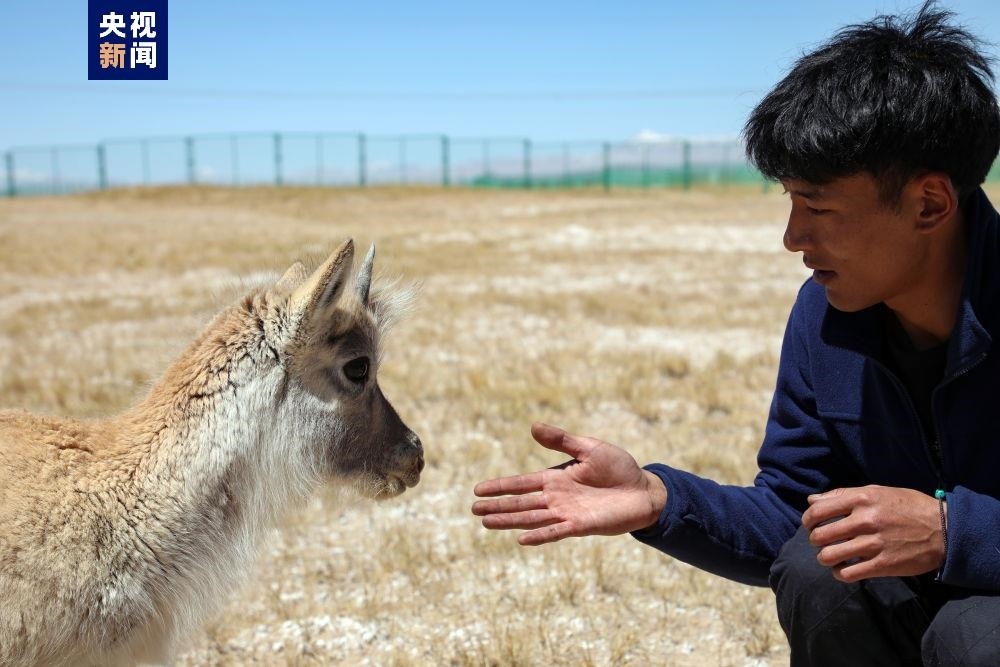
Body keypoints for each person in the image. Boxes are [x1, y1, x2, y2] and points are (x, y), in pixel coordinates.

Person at [471, 3, 1000, 664]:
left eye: (818, 206)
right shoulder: (826, 316)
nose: (793, 237)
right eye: (790, 201)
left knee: (975, 634)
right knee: (816, 569)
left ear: (929, 204)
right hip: (917, 606)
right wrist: (659, 499)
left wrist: (954, 532)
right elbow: (793, 516)